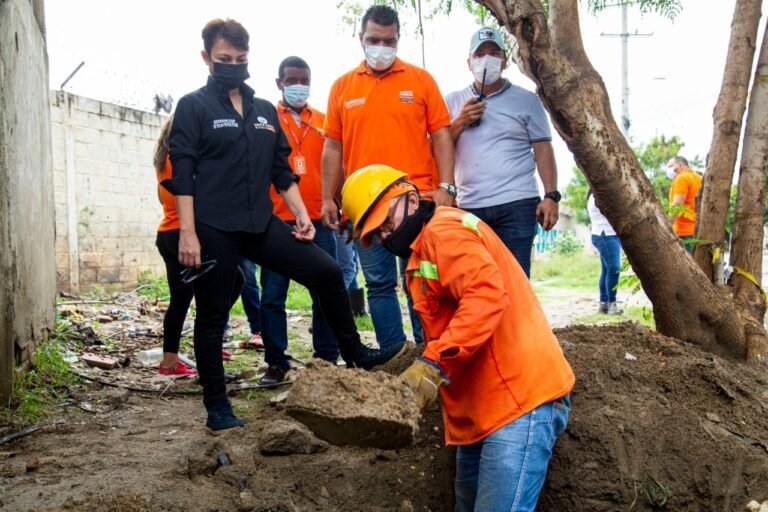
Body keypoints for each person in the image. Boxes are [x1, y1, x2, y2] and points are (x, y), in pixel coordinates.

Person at [164, 18, 404, 433]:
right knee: (213, 314)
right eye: (224, 59)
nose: (233, 66)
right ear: (206, 58)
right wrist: (187, 233)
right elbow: (182, 173)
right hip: (214, 228)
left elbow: (280, 170)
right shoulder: (193, 107)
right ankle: (218, 406)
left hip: (261, 223)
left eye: (240, 59)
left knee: (328, 272)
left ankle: (356, 354)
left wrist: (300, 214)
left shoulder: (263, 112)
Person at [341, 165, 575, 511]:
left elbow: (485, 295)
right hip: (481, 407)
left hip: (517, 398)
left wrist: (432, 365)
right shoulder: (421, 254)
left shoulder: (444, 232)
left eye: (387, 222)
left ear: (410, 198)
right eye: (378, 233)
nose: (388, 236)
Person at [320, 4, 455, 350]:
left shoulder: (421, 81)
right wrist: (327, 199)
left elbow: (441, 135)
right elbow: (333, 149)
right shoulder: (341, 88)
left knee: (420, 281)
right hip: (365, 209)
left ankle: (430, 355)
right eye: (373, 39)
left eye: (389, 40)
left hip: (417, 202)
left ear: (398, 39)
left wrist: (447, 187)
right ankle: (394, 358)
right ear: (360, 39)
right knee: (379, 285)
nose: (381, 46)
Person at [445, 26, 560, 278]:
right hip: (469, 206)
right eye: (480, 54)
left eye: (494, 53)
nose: (487, 59)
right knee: (475, 282)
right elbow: (438, 149)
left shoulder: (527, 100)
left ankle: (518, 320)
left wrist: (551, 195)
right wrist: (460, 121)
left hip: (517, 204)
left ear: (505, 60)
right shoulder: (452, 102)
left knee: (515, 280)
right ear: (469, 62)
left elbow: (543, 149)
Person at [258, 56, 340, 386]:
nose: (299, 86)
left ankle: (326, 360)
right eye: (292, 80)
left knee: (326, 290)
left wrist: (340, 207)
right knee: (273, 296)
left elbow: (338, 165)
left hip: (319, 220)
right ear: (279, 83)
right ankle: (276, 363)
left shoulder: (323, 121)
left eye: (304, 80)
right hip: (277, 222)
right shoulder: (265, 121)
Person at [154, 117, 244, 375]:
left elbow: (164, 198)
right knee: (230, 284)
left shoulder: (163, 160)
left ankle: (171, 361)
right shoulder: (182, 159)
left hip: (167, 233)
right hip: (186, 234)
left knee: (181, 299)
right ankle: (205, 344)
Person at [587, 190, 623, 315]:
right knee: (614, 268)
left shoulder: (595, 194)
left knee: (607, 270)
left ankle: (604, 304)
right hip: (605, 234)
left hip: (606, 234)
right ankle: (612, 305)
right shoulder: (598, 195)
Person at [666, 156, 702, 252]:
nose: (668, 169)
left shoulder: (681, 178)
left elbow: (677, 206)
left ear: (680, 165)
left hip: (683, 232)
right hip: (697, 230)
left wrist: (666, 226)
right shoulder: (699, 178)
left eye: (671, 166)